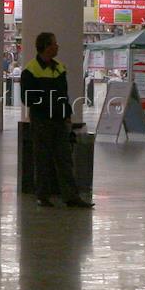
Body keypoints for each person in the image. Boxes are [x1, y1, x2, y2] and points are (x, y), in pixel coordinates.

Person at [21, 32, 92, 209]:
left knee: (65, 159)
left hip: (60, 120)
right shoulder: (30, 71)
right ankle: (42, 196)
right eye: (54, 43)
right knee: (42, 159)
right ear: (46, 47)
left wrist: (67, 114)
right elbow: (27, 98)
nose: (57, 46)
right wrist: (48, 104)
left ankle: (71, 197)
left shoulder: (60, 68)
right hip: (42, 121)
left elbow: (63, 94)